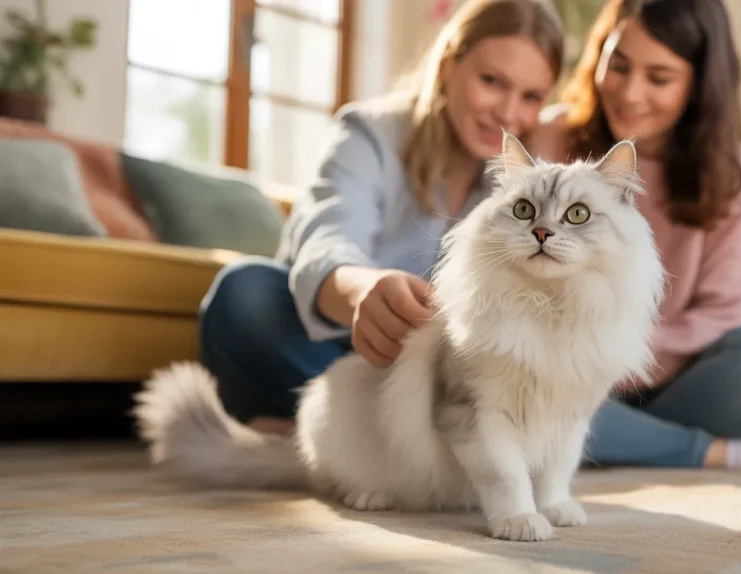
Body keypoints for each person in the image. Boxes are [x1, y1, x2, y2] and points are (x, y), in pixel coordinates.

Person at [198, 0, 565, 436]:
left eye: (531, 97)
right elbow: (326, 240)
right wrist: (364, 293)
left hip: (439, 380)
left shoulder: (521, 182)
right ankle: (392, 434)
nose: (508, 113)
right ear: (449, 65)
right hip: (328, 348)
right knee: (244, 295)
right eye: (491, 81)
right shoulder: (369, 132)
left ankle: (338, 433)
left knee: (570, 396)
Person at [525, 0, 741, 472]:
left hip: (675, 379)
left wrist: (624, 350)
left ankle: (615, 439)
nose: (631, 93)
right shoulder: (554, 138)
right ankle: (717, 453)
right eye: (617, 65)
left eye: (659, 78)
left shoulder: (732, 167)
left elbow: (726, 309)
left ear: (698, 85)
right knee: (519, 397)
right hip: (564, 375)